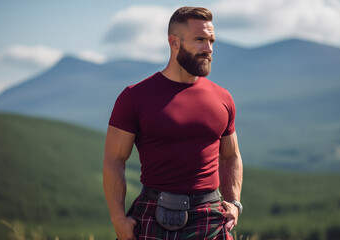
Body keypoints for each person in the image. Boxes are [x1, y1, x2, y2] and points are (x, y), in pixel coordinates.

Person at [103, 6, 243, 240]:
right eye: (200, 39)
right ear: (174, 42)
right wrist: (118, 219)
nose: (209, 49)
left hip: (211, 219)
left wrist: (235, 203)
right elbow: (114, 159)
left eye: (211, 41)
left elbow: (231, 156)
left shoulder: (223, 98)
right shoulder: (135, 97)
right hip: (153, 214)